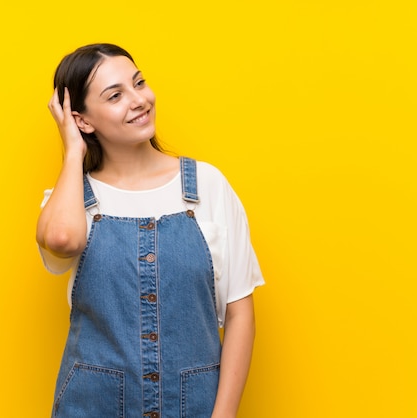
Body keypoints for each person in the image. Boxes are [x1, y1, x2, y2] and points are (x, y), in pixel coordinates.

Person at [37, 43, 264, 418]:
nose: (139, 99)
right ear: (82, 120)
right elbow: (62, 241)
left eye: (139, 83)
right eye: (115, 95)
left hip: (194, 406)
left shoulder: (207, 186)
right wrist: (73, 151)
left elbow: (240, 313)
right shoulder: (70, 200)